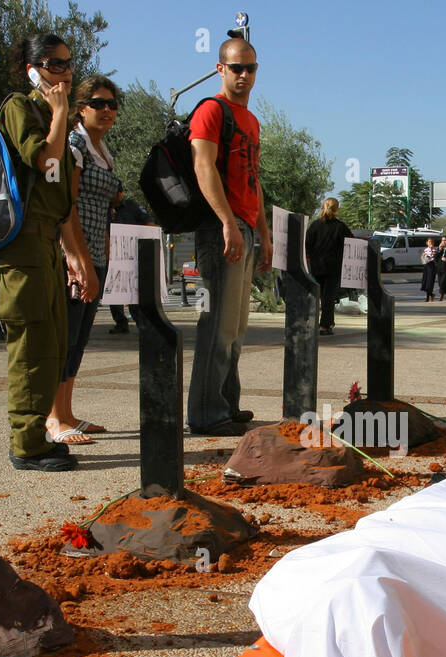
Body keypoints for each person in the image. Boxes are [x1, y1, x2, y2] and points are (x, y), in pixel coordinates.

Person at [0, 33, 98, 471]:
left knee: (53, 342)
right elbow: (47, 162)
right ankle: (26, 444)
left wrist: (72, 254)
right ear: (32, 68)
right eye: (54, 64)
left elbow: (59, 197)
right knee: (31, 345)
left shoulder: (45, 111)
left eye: (68, 63)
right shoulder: (21, 107)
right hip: (22, 246)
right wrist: (59, 114)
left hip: (45, 243)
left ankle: (36, 435)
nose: (65, 71)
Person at [186, 36, 272, 437]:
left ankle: (226, 404)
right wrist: (227, 222)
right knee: (217, 325)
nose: (243, 75)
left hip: (245, 229)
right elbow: (204, 167)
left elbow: (254, 181)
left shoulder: (251, 120)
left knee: (236, 327)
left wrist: (264, 235)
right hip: (220, 229)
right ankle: (206, 413)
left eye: (250, 68)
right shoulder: (210, 110)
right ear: (220, 69)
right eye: (236, 67)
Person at [44, 76, 124, 446]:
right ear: (81, 108)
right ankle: (53, 417)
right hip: (74, 256)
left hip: (96, 252)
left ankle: (67, 411)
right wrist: (78, 259)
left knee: (79, 336)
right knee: (65, 335)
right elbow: (67, 204)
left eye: (112, 103)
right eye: (98, 103)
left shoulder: (101, 149)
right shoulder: (74, 145)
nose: (107, 110)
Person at [305, 197, 353, 336]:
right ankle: (325, 326)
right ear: (337, 209)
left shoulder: (315, 225)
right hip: (333, 268)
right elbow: (351, 242)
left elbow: (307, 244)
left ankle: (317, 323)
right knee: (328, 298)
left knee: (317, 296)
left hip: (317, 267)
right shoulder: (340, 227)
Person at [107, 198, 153, 333]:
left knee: (133, 291)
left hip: (132, 252)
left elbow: (149, 222)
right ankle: (121, 323)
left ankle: (141, 324)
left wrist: (147, 246)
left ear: (120, 193)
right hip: (112, 254)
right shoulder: (105, 206)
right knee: (114, 291)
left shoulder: (132, 206)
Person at [419, 237, 437, 302]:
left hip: (432, 267)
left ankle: (429, 297)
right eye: (429, 242)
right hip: (426, 267)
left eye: (432, 242)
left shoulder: (436, 250)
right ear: (427, 243)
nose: (431, 243)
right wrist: (423, 256)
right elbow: (422, 260)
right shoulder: (425, 250)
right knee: (425, 282)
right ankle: (430, 295)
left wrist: (432, 251)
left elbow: (434, 258)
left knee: (430, 282)